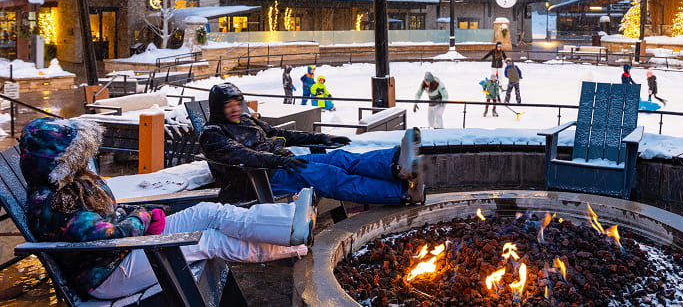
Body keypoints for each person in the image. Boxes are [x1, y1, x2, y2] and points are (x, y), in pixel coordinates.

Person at [21, 117, 316, 300]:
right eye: (75, 157)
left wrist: (143, 214)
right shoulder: (55, 203)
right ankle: (294, 246)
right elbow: (108, 236)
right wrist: (144, 214)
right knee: (208, 240)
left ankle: (291, 224)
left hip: (132, 247)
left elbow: (112, 219)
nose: (82, 161)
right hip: (108, 272)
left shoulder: (76, 181)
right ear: (56, 161)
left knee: (207, 211)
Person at [200, 83, 424, 206]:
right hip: (261, 179)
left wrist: (320, 138)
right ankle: (402, 192)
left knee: (340, 158)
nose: (235, 109)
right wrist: (279, 161)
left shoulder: (246, 120)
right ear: (218, 108)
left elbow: (279, 134)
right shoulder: (213, 134)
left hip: (282, 165)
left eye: (237, 103)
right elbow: (243, 156)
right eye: (228, 105)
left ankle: (397, 165)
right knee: (330, 175)